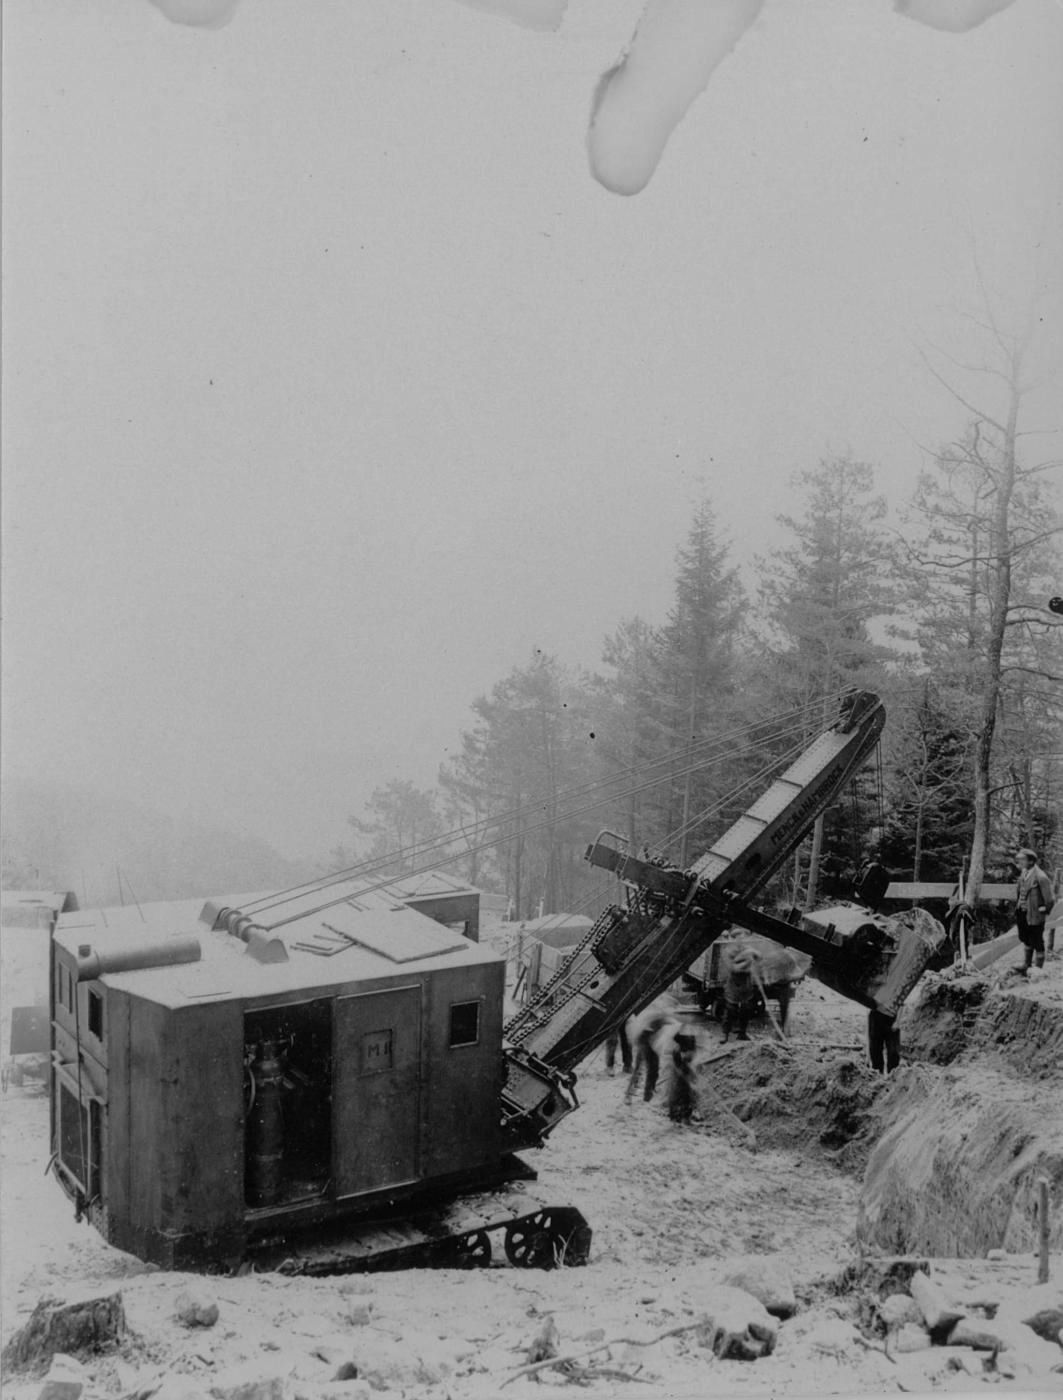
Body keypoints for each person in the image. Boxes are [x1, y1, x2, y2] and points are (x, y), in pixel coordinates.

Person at [624, 998, 677, 1103]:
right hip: (645, 1040)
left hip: (643, 1039)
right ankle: (647, 1096)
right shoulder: (659, 1014)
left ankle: (630, 1095)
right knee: (652, 1069)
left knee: (640, 1069)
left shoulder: (656, 1011)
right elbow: (666, 1023)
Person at [1014, 848, 1054, 976]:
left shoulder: (1041, 877)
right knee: (1025, 938)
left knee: (1037, 940)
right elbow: (1020, 892)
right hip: (1022, 912)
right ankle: (1026, 964)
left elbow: (1050, 898)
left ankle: (1038, 969)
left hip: (1035, 915)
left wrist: (1045, 909)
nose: (1020, 862)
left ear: (1031, 861)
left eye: (1023, 860)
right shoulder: (1024, 873)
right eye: (1019, 859)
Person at [721, 942, 761, 1042]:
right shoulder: (729, 952)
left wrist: (752, 953)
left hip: (746, 985)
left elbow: (759, 957)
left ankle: (742, 1034)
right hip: (733, 986)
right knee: (729, 1011)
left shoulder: (748, 950)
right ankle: (725, 1035)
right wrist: (748, 961)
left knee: (745, 1011)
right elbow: (733, 969)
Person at [666, 1030, 699, 1122]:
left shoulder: (690, 1044)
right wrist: (686, 1078)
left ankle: (686, 1117)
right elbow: (677, 1067)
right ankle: (675, 1116)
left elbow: (691, 1059)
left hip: (685, 1070)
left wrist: (692, 1074)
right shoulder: (677, 1051)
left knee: (688, 1095)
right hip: (679, 1074)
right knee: (678, 1093)